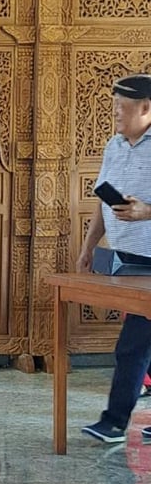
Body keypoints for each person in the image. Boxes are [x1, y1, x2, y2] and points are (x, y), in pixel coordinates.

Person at [77, 73, 151, 443]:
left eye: (123, 107)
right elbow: (102, 202)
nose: (116, 114)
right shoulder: (114, 146)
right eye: (114, 107)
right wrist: (89, 246)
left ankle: (115, 422)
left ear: (146, 107)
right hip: (126, 259)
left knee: (133, 344)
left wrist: (147, 211)